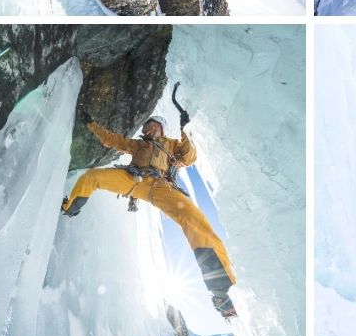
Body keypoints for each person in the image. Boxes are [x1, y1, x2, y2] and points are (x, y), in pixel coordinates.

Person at [61, 111, 238, 318]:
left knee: (193, 220)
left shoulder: (171, 144)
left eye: (154, 126)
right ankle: (70, 207)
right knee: (92, 177)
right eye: (147, 126)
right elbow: (111, 139)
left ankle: (221, 290)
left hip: (162, 186)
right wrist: (91, 123)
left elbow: (189, 157)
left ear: (162, 129)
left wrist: (185, 130)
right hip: (134, 180)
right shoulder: (137, 145)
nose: (150, 129)